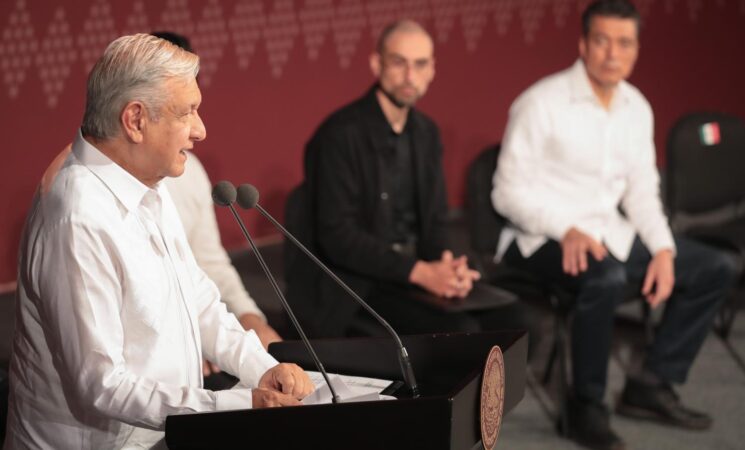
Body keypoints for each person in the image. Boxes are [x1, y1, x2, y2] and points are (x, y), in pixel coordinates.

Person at [4, 34, 312, 449]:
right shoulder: (76, 217)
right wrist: (233, 404)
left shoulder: (147, 179)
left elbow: (197, 296)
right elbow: (102, 385)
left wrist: (259, 367)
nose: (200, 130)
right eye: (187, 112)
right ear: (135, 120)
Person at [492, 1, 735, 449]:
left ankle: (651, 385)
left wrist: (663, 249)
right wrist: (566, 228)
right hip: (538, 235)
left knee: (713, 267)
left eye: (624, 43)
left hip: (609, 231)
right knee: (605, 277)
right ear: (584, 44)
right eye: (602, 40)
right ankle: (585, 406)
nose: (612, 53)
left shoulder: (636, 108)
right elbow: (506, 193)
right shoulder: (541, 102)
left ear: (636, 49)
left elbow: (642, 190)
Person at [290, 20, 521, 339]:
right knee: (460, 333)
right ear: (377, 63)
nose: (410, 76)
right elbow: (338, 237)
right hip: (359, 285)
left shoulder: (427, 132)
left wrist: (448, 268)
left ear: (432, 70)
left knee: (514, 320)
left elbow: (437, 221)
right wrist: (421, 273)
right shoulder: (339, 135)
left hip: (415, 271)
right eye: (399, 63)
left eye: (420, 64)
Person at [151, 31, 282, 386]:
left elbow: (206, 265)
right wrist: (191, 340)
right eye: (185, 109)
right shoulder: (91, 200)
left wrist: (249, 316)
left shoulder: (189, 171)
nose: (199, 129)